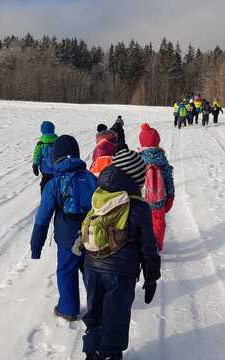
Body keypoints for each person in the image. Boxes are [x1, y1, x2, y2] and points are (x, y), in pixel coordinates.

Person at [80, 150, 161, 360]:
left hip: (92, 264)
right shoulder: (138, 207)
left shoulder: (99, 193)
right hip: (119, 272)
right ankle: (109, 355)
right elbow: (148, 248)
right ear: (135, 178)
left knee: (95, 313)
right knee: (115, 317)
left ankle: (91, 352)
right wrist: (151, 277)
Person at [30, 135, 97, 321]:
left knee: (66, 271)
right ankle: (96, 306)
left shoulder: (53, 184)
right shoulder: (91, 178)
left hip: (66, 238)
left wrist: (36, 246)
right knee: (91, 271)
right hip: (90, 235)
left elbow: (42, 217)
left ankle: (68, 309)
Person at [138, 123, 175, 251]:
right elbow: (169, 179)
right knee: (158, 223)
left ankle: (143, 245)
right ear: (157, 142)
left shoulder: (138, 159)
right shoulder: (162, 160)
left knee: (142, 223)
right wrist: (170, 196)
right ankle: (157, 245)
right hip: (158, 200)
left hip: (141, 201)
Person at [32, 121, 58, 194]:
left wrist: (35, 165)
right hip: (57, 169)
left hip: (46, 171)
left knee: (44, 184)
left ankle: (44, 199)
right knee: (57, 184)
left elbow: (37, 155)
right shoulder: (58, 141)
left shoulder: (41, 144)